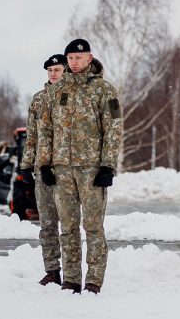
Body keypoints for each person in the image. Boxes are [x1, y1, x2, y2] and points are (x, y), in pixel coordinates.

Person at [38, 39, 121, 294]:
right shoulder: (56, 91)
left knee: (93, 227)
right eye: (70, 58)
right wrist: (45, 163)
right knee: (68, 227)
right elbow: (46, 129)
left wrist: (108, 165)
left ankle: (94, 280)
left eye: (78, 57)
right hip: (62, 169)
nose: (74, 62)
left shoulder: (104, 90)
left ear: (89, 58)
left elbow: (114, 129)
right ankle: (71, 279)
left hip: (92, 169)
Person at [19, 53, 67, 286]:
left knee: (69, 223)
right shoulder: (38, 100)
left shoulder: (74, 97)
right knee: (47, 224)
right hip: (42, 169)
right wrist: (27, 165)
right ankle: (52, 270)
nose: (53, 73)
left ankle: (72, 272)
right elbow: (32, 135)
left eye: (57, 70)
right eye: (50, 70)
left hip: (68, 168)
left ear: (66, 70)